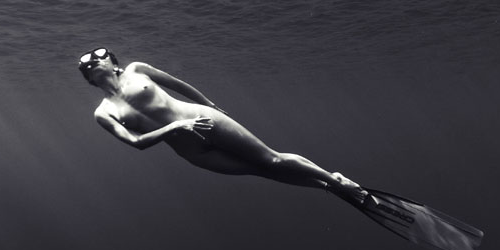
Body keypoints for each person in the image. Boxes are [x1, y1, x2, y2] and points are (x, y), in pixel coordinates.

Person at [78, 47, 367, 202]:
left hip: (207, 121)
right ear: (88, 78)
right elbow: (136, 142)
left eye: (99, 55)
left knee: (272, 159)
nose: (94, 61)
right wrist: (174, 128)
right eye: (88, 63)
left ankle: (336, 180)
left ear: (113, 61)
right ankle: (326, 187)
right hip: (193, 151)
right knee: (261, 171)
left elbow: (179, 84)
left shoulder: (137, 69)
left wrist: (211, 105)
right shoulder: (103, 113)